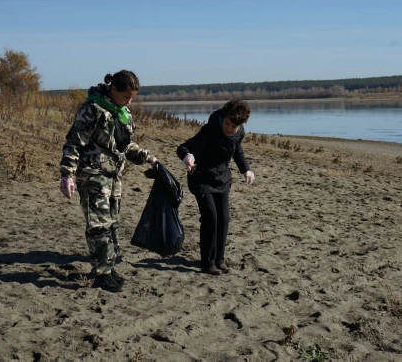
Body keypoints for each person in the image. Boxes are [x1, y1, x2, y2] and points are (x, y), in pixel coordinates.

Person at [59, 70, 158, 292]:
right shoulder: (91, 109)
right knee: (98, 224)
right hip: (93, 174)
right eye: (126, 97)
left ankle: (108, 268)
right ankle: (102, 274)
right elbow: (74, 142)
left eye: (132, 98)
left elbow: (125, 146)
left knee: (112, 223)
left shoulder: (122, 113)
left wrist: (148, 157)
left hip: (114, 176)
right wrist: (67, 174)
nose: (129, 102)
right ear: (113, 90)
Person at [176, 100, 255, 276]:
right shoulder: (210, 129)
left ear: (240, 125)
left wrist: (246, 170)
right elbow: (184, 147)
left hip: (222, 179)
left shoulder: (239, 133)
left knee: (224, 218)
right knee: (211, 217)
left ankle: (219, 259)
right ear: (222, 118)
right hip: (201, 178)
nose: (228, 128)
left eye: (233, 126)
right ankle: (207, 262)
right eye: (226, 123)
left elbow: (237, 150)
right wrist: (187, 156)